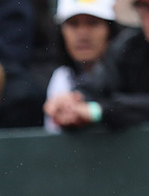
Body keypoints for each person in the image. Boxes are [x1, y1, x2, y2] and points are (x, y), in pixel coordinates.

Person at [44, 0, 149, 131]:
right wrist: (73, 102)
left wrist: (97, 111)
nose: (83, 34)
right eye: (145, 7)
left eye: (93, 23)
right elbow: (97, 87)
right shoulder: (130, 48)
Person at [43, 0, 118, 132]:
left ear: (110, 30)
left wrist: (92, 111)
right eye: (73, 24)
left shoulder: (130, 73)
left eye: (93, 23)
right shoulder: (61, 77)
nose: (83, 34)